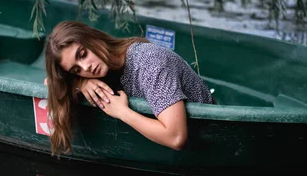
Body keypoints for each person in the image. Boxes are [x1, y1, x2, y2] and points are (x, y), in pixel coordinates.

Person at [44, 21, 213, 155]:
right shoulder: (99, 71)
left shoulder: (150, 63)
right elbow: (51, 82)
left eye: (83, 54)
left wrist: (122, 112)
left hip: (207, 139)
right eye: (76, 69)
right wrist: (80, 82)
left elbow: (176, 138)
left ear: (93, 37)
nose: (85, 68)